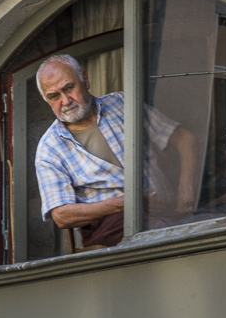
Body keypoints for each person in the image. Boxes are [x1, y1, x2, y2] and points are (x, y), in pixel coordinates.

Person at [34, 54, 198, 248]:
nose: (66, 100)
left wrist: (186, 191)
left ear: (85, 79)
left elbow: (185, 139)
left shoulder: (122, 104)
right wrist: (128, 203)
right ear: (46, 99)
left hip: (173, 216)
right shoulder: (49, 148)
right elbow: (62, 215)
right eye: (54, 96)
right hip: (114, 234)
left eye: (69, 88)